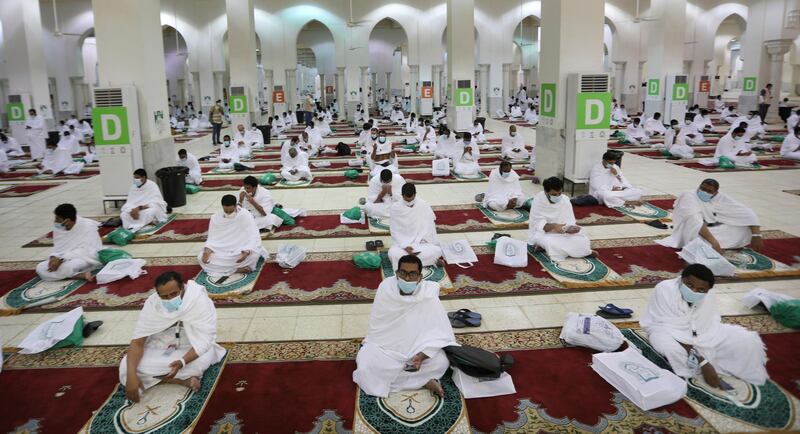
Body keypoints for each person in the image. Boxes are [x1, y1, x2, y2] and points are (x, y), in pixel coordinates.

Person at [640, 264, 768, 387]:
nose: (694, 291)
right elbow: (667, 327)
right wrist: (702, 360)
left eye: (701, 290)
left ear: (708, 290)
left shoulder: (708, 295)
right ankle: (692, 374)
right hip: (664, 331)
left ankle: (716, 365)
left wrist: (700, 347)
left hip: (702, 334)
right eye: (689, 285)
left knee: (746, 339)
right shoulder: (665, 289)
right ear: (682, 279)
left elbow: (709, 324)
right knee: (672, 350)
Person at [353, 254, 456, 398]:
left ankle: (401, 379)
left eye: (412, 274)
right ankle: (422, 381)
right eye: (403, 273)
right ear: (396, 273)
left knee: (441, 362)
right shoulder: (386, 288)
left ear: (420, 277)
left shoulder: (428, 294)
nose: (407, 278)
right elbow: (377, 328)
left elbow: (439, 332)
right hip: (386, 349)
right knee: (365, 366)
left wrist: (422, 356)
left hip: (418, 349)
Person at [120, 271, 227, 403]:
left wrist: (182, 362)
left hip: (191, 346)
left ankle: (161, 378)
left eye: (174, 294)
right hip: (161, 344)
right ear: (158, 295)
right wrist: (131, 377)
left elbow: (204, 341)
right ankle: (178, 380)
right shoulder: (153, 304)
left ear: (182, 287)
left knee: (202, 358)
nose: (170, 299)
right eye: (164, 296)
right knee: (126, 367)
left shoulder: (198, 300)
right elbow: (137, 342)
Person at [656, 179, 762, 253]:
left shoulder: (721, 197)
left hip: (713, 227)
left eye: (709, 191)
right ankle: (712, 245)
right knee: (697, 237)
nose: (704, 192)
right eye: (702, 189)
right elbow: (695, 222)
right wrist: (714, 243)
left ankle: (719, 245)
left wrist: (756, 235)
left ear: (716, 193)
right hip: (693, 229)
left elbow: (746, 212)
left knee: (744, 228)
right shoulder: (689, 196)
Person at [199, 195, 269, 279]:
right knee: (200, 258)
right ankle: (236, 269)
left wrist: (246, 251)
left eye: (231, 211)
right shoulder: (216, 218)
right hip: (221, 249)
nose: (228, 213)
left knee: (253, 255)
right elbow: (212, 239)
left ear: (236, 206)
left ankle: (226, 269)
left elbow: (254, 236)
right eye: (226, 211)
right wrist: (207, 253)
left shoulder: (245, 215)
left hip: (241, 248)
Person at [528, 177, 592, 261]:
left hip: (564, 233)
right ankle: (579, 251)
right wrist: (554, 227)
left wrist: (570, 228)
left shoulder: (565, 199)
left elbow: (570, 220)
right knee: (550, 243)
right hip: (545, 233)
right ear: (546, 192)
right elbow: (538, 225)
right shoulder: (538, 200)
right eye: (554, 194)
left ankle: (576, 250)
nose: (558, 196)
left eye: (559, 193)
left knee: (584, 239)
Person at [35, 203, 101, 282]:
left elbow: (90, 251)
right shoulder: (59, 228)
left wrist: (62, 259)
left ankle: (68, 274)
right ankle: (76, 275)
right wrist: (53, 257)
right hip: (63, 258)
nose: (55, 221)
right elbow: (58, 248)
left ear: (67, 220)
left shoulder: (87, 226)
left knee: (70, 266)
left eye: (57, 219)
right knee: (41, 267)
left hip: (84, 258)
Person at [387, 183, 443, 270]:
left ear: (415, 194)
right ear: (402, 195)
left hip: (421, 243)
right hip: (403, 245)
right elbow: (394, 231)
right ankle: (427, 261)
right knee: (393, 253)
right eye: (407, 200)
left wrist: (422, 241)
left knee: (437, 250)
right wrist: (405, 246)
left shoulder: (423, 205)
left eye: (411, 199)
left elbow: (429, 228)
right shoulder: (395, 208)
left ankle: (408, 263)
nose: (409, 202)